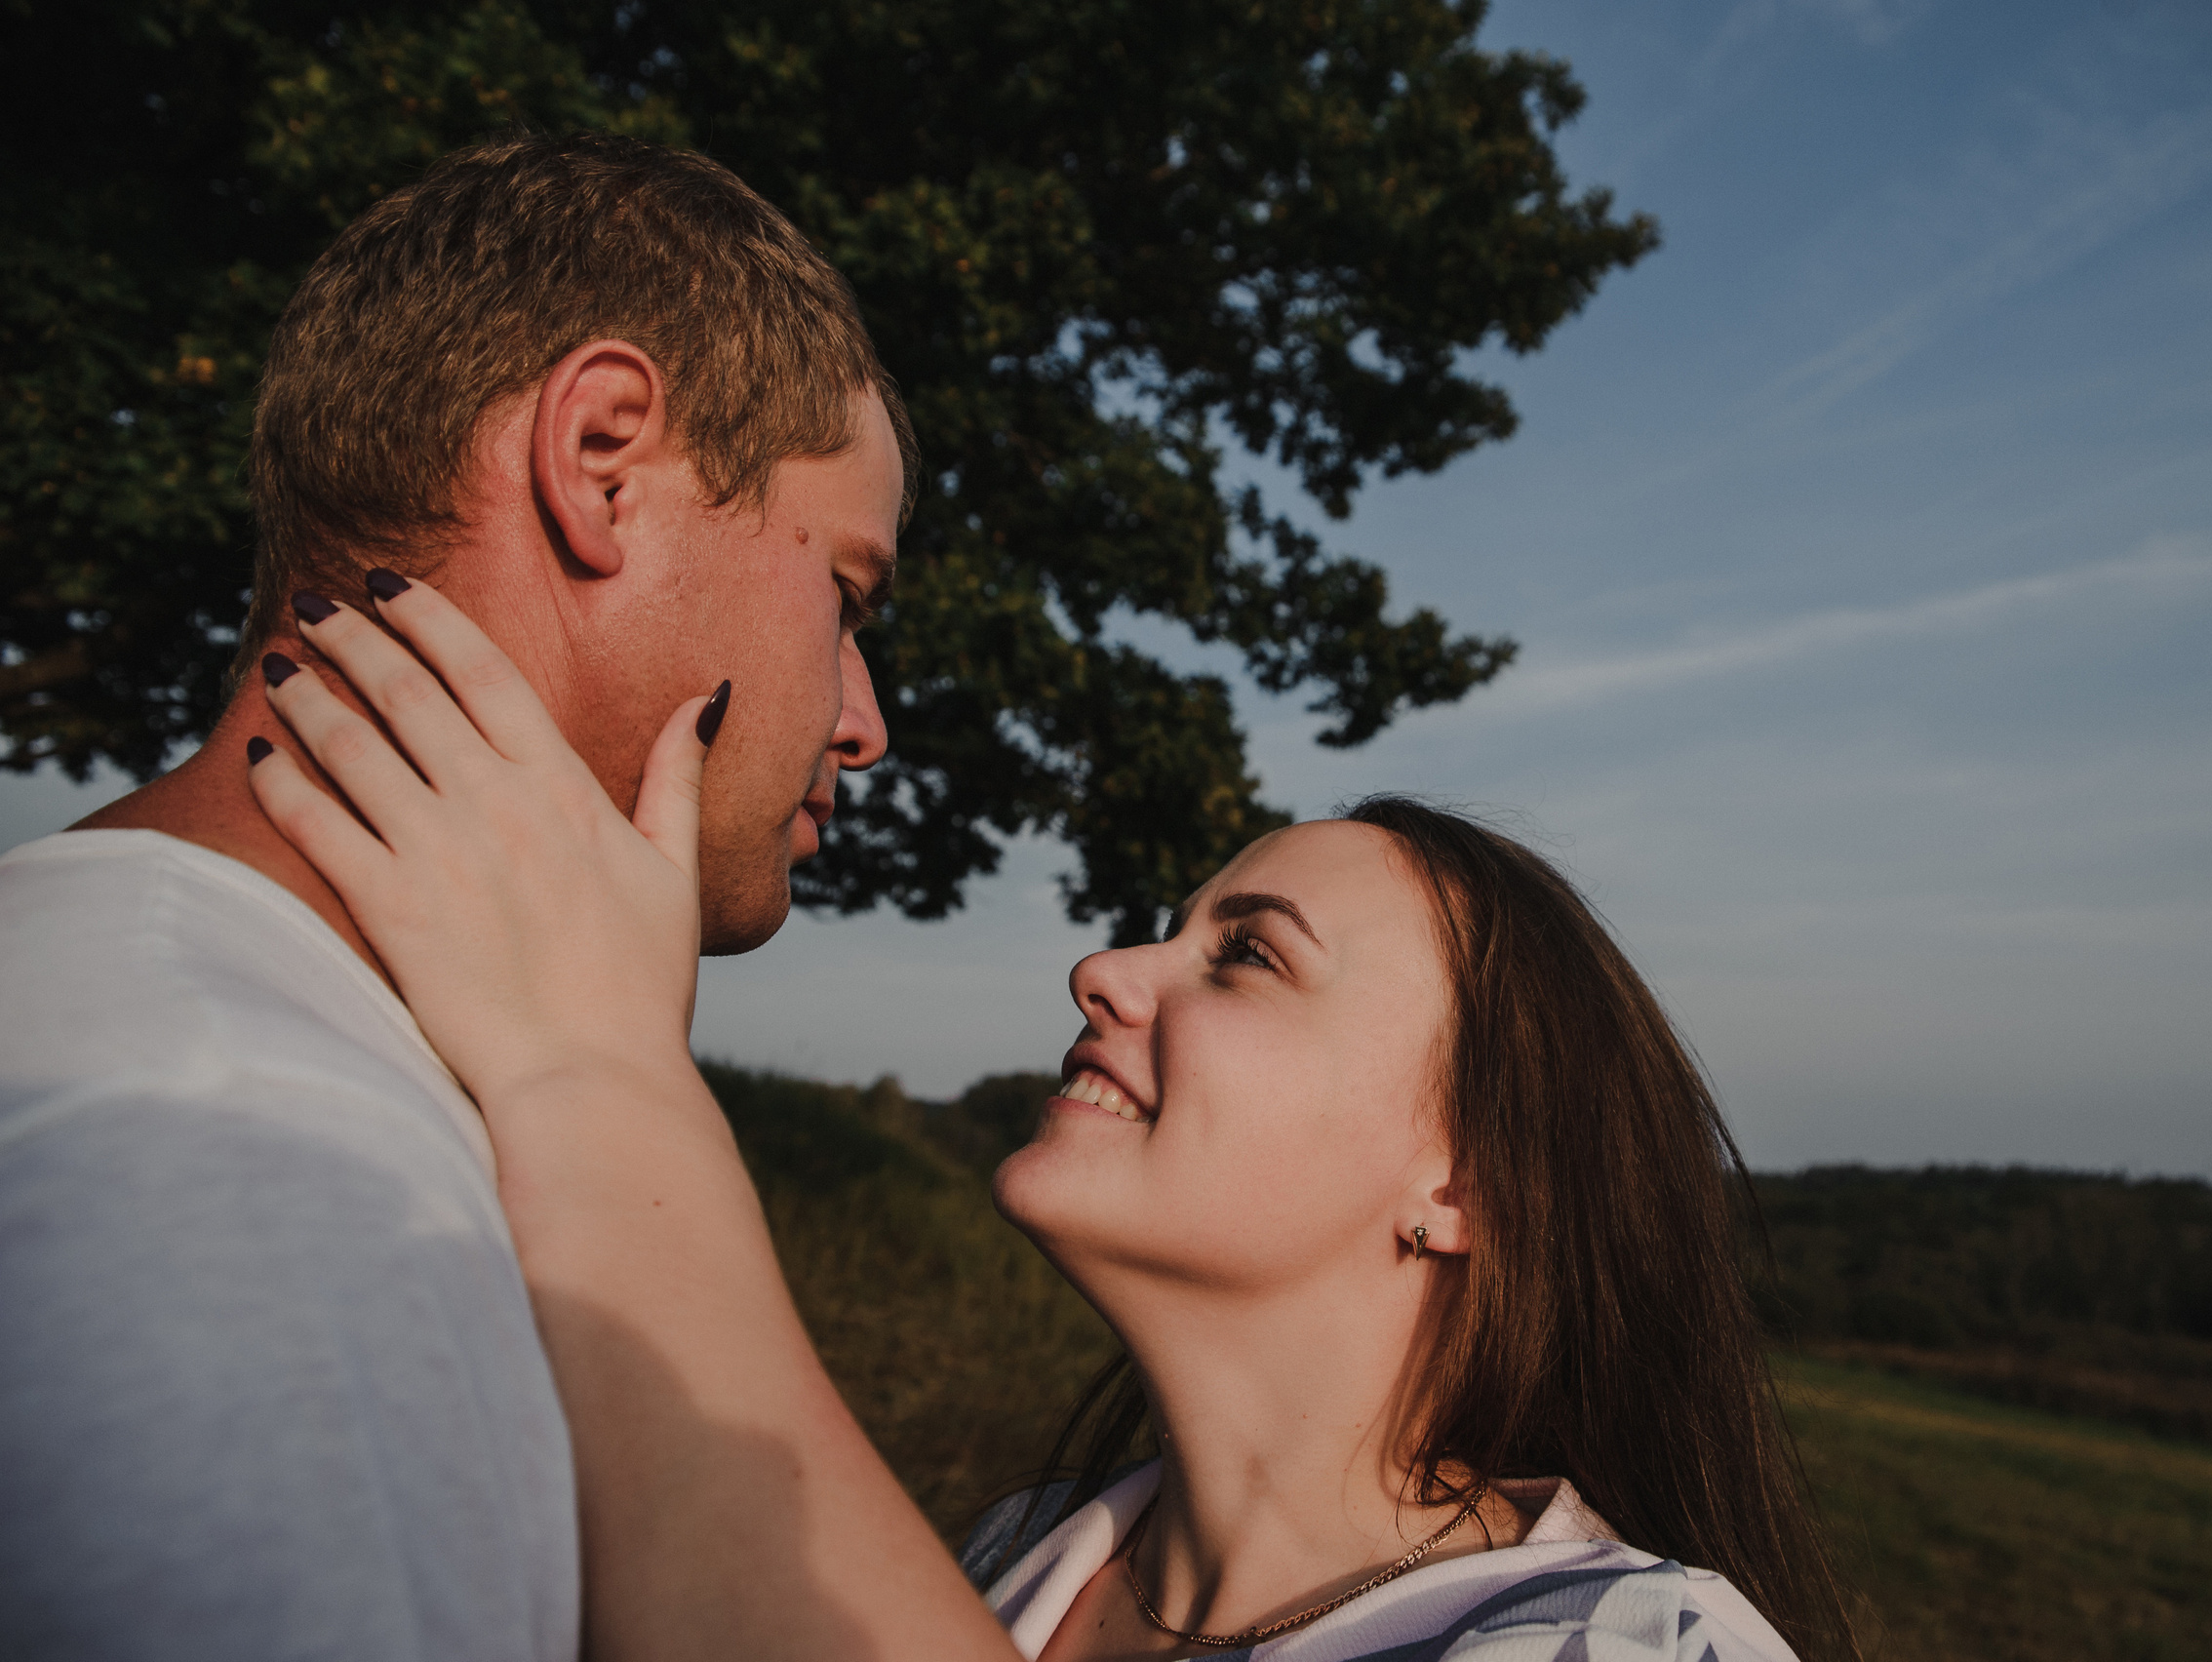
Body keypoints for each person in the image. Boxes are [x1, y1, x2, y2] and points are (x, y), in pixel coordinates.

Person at [238, 580, 1862, 1661]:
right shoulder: (1018, 1557)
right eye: (1171, 922)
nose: (1104, 967)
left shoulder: (1634, 1646)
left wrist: (600, 1078)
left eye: (1247, 955)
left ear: (1469, 1184)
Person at [0, 132, 915, 1658]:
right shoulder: (261, 1183)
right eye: (851, 595)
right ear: (603, 462)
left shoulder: (147, 1012)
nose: (867, 720)